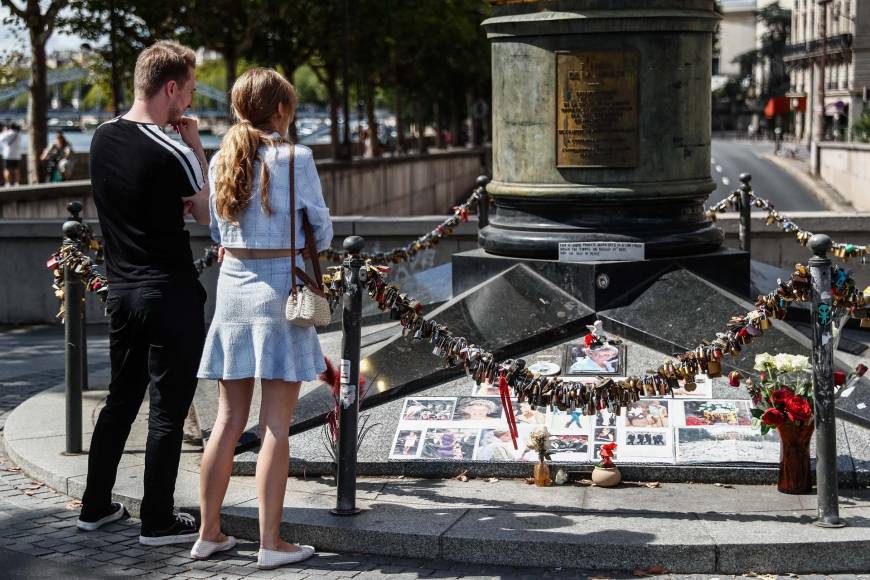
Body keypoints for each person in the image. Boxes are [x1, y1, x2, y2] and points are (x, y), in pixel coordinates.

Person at [194, 68, 332, 569]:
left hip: (232, 291)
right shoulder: (297, 158)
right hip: (280, 293)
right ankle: (271, 543)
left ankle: (209, 533)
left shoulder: (223, 158)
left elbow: (217, 231)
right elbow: (322, 227)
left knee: (227, 422)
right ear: (280, 110)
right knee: (276, 424)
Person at [77, 41, 210, 547]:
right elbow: (208, 216)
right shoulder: (174, 146)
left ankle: (95, 505)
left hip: (122, 293)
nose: (191, 106)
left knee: (120, 400)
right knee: (166, 413)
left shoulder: (101, 138)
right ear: (170, 88)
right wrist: (196, 143)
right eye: (189, 94)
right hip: (169, 293)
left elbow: (136, 200)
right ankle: (157, 520)